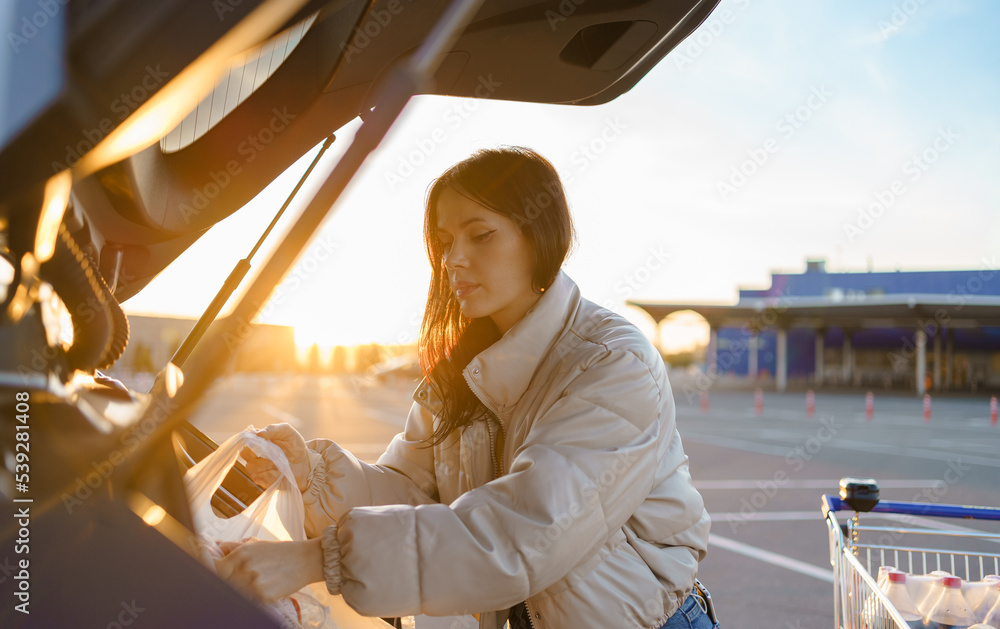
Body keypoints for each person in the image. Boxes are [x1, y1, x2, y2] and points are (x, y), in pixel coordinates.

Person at [216, 146, 714, 628]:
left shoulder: (611, 363)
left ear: (539, 237)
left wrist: (320, 559)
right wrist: (313, 477)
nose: (453, 259)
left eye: (480, 235)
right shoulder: (460, 370)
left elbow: (526, 533)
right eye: (445, 240)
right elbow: (410, 490)